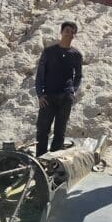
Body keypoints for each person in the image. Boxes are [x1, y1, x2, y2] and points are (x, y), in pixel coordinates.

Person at [34, 21, 83, 157]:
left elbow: (78, 75)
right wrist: (40, 94)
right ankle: (40, 159)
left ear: (74, 35)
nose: (69, 34)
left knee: (60, 131)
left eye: (72, 32)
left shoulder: (76, 54)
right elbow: (40, 74)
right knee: (42, 129)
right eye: (67, 30)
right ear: (61, 32)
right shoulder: (49, 52)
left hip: (65, 97)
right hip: (48, 96)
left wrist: (73, 90)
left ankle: (54, 161)